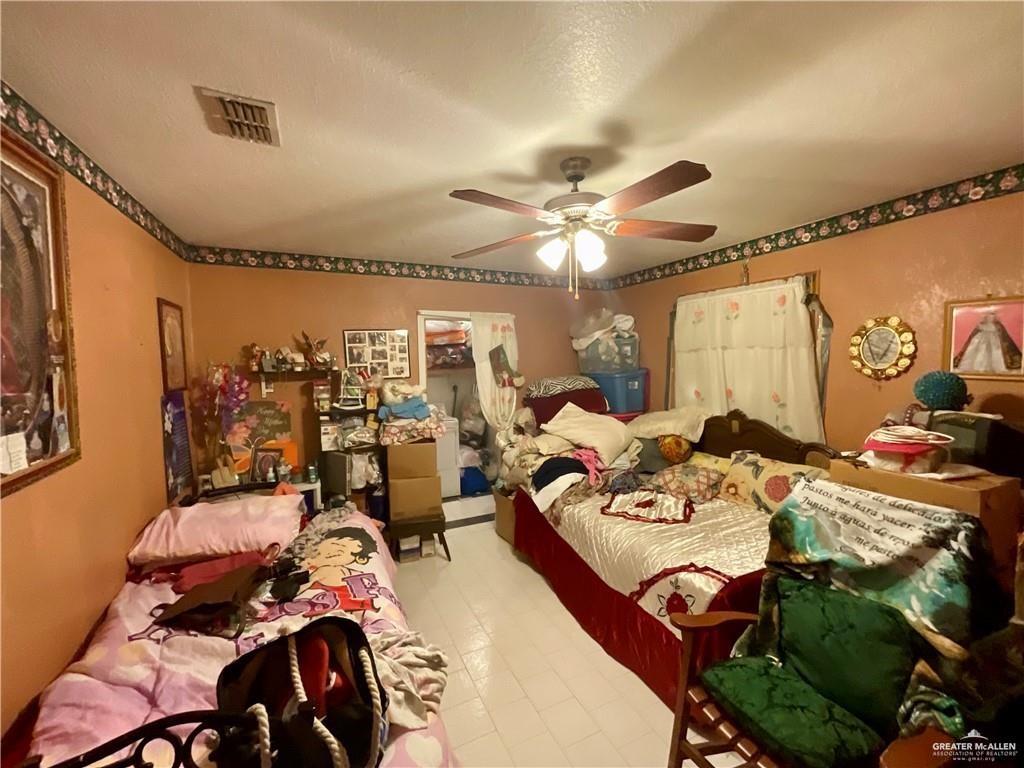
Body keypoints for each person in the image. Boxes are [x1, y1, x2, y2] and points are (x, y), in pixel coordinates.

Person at [953, 310, 1023, 374]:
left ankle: (997, 366)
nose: (989, 316)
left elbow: (1003, 335)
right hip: (982, 339)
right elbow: (975, 332)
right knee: (979, 351)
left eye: (992, 314)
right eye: (988, 315)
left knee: (995, 352)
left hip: (994, 340)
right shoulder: (981, 325)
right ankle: (978, 366)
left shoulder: (998, 326)